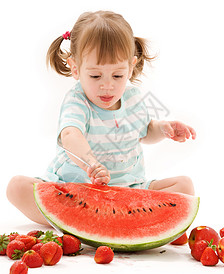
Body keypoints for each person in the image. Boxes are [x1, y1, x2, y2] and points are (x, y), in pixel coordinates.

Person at [6, 10, 196, 225]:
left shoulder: (133, 98)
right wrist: (91, 163)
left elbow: (145, 131)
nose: (108, 85)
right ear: (75, 68)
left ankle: (113, 220)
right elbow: (70, 134)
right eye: (95, 76)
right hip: (76, 189)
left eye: (117, 75)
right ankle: (73, 220)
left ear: (131, 67)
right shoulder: (77, 101)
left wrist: (163, 128)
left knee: (185, 186)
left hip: (129, 189)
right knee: (17, 187)